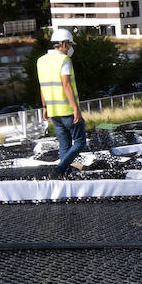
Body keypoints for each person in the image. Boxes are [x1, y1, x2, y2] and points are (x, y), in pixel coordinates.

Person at [37, 28, 86, 178]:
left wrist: (44, 107)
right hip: (67, 110)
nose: (70, 48)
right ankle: (59, 169)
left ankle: (65, 174)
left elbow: (43, 86)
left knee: (64, 144)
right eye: (70, 45)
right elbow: (66, 85)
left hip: (53, 111)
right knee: (79, 142)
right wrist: (76, 109)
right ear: (64, 44)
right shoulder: (64, 60)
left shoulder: (41, 60)